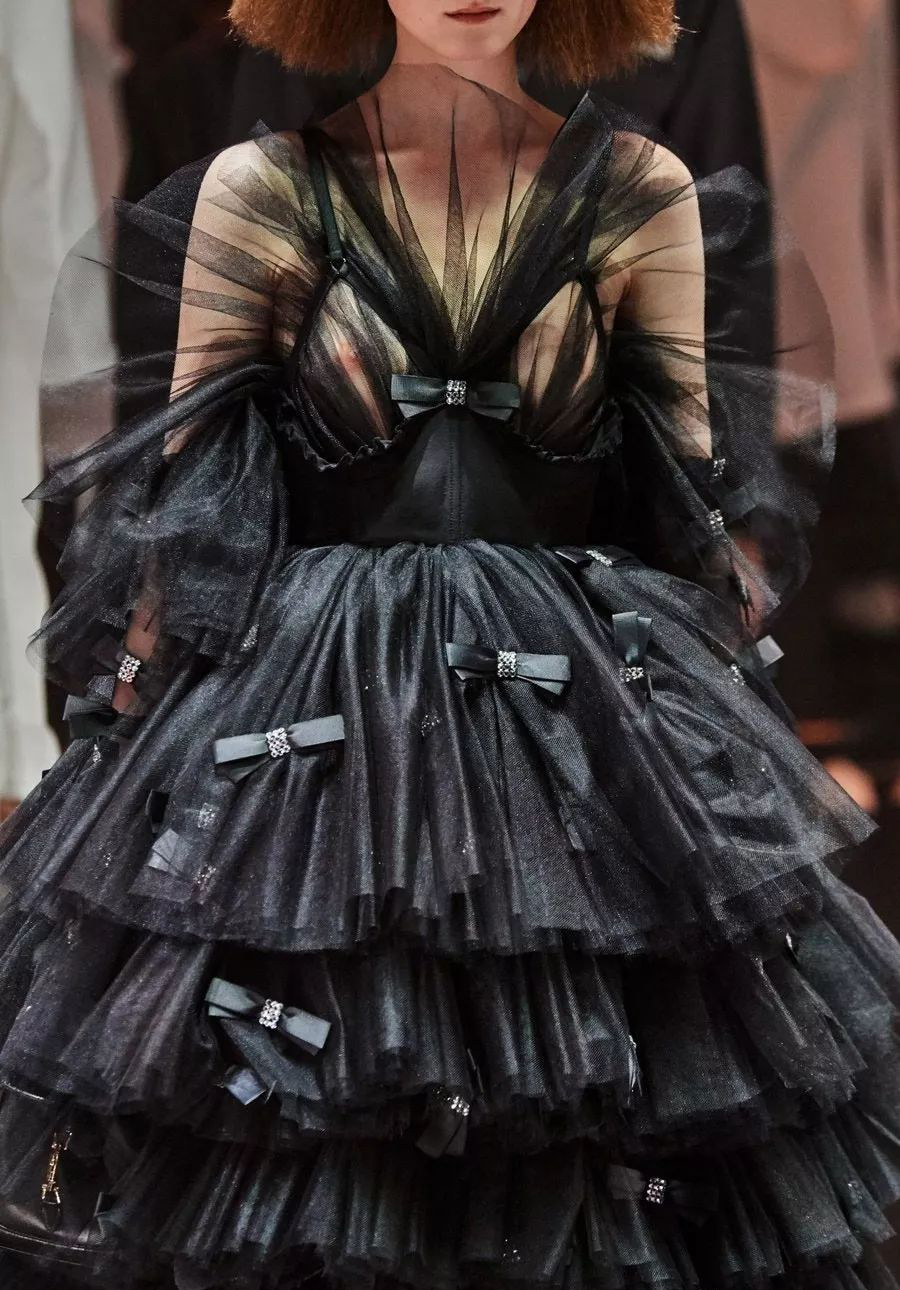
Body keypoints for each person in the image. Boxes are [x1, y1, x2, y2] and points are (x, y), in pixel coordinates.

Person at [0, 2, 897, 1288]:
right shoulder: (263, 189)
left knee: (585, 1100)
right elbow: (197, 495)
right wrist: (131, 720)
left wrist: (718, 733)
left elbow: (685, 501)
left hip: (566, 708)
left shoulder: (638, 188)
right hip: (316, 719)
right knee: (314, 1090)